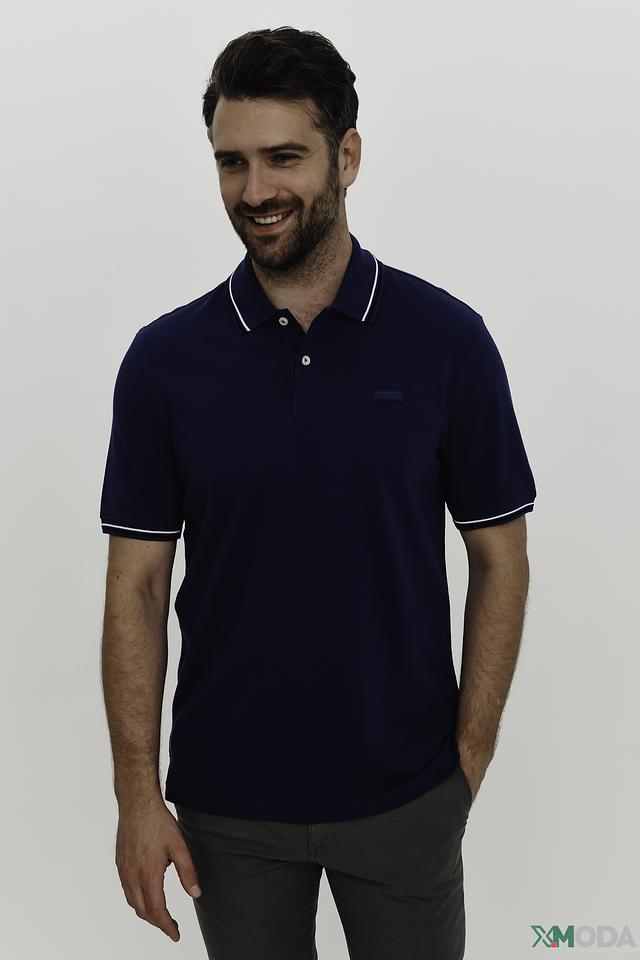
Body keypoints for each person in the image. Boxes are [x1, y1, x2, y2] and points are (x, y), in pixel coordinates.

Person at [99, 25, 537, 960]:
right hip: (226, 810)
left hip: (408, 799)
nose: (255, 190)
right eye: (232, 162)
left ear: (348, 157)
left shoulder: (448, 342)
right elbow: (135, 585)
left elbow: (501, 558)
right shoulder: (164, 362)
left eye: (284, 157)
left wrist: (467, 763)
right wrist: (137, 794)